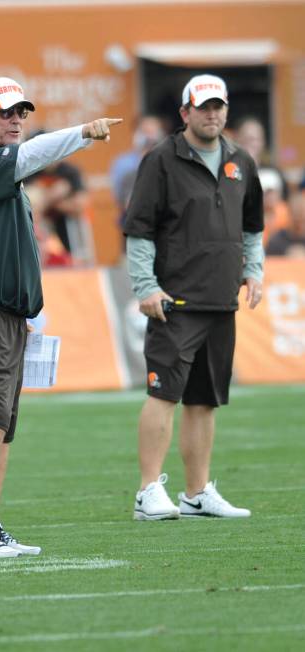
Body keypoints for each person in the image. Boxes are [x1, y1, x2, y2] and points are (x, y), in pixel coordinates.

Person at [0, 76, 122, 559]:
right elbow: (30, 156)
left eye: (21, 112)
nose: (15, 120)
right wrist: (82, 132)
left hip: (4, 313)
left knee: (3, 423)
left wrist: (22, 310)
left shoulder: (5, 174)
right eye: (5, 113)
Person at [123, 74, 264, 521]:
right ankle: (148, 491)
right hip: (174, 301)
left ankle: (197, 492)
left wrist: (254, 271)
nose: (212, 113)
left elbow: (251, 227)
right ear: (185, 112)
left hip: (221, 300)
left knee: (205, 400)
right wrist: (145, 287)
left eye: (218, 106)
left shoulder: (241, 160)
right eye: (203, 106)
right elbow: (140, 230)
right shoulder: (161, 160)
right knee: (163, 393)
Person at [110, 115, 165, 224]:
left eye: (154, 132)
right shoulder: (123, 162)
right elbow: (119, 196)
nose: (150, 137)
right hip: (132, 222)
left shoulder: (169, 158)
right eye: (146, 132)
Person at [266, 191, 305, 257]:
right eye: (296, 211)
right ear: (289, 213)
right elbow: (269, 263)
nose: (298, 214)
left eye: (301, 212)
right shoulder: (276, 240)